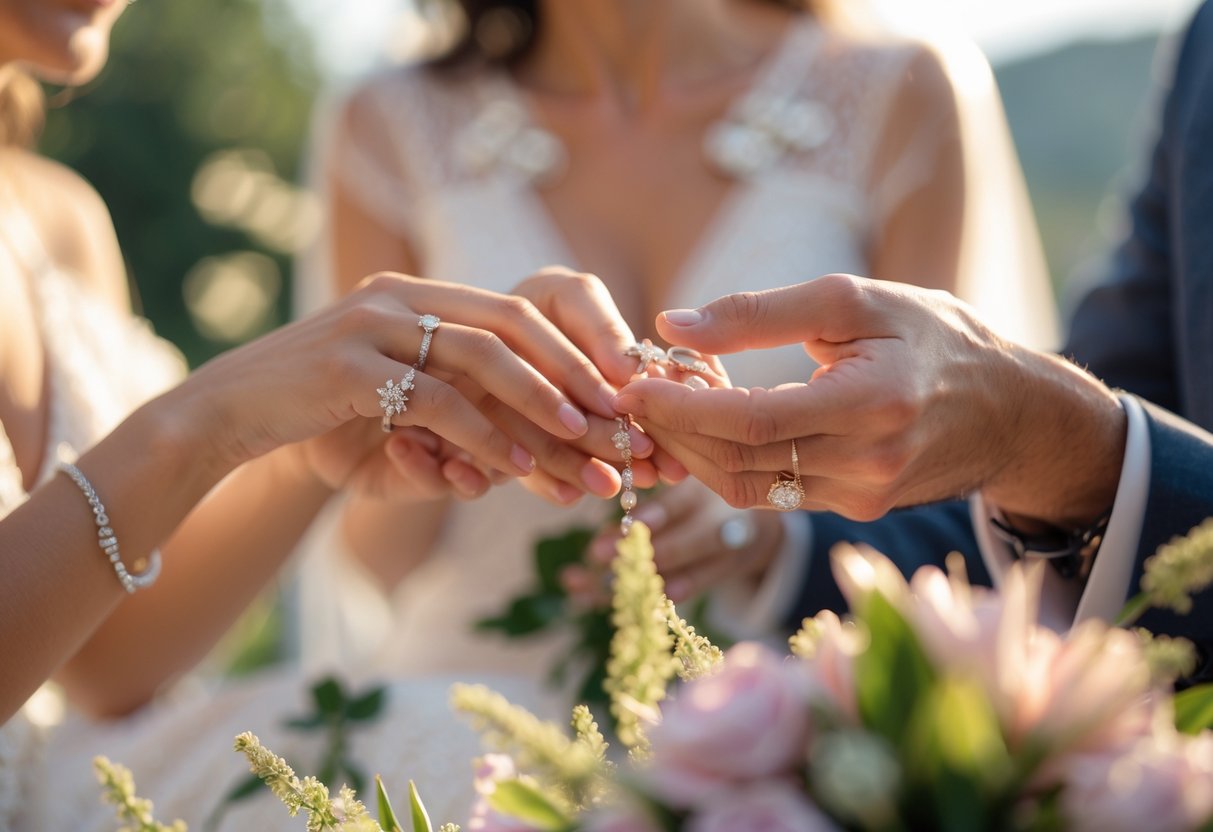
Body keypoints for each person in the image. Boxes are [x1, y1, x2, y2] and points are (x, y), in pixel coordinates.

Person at [0, 2, 654, 827]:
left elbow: (108, 668)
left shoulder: (56, 222)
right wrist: (202, 421)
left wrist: (305, 449)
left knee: (523, 763)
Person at [299, 0, 1057, 676]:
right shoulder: (389, 122)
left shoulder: (898, 94)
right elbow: (372, 552)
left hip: (785, 706)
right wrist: (462, 431)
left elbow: (949, 480)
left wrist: (769, 533)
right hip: (469, 706)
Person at [613, 0, 1213, 674]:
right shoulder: (1204, 47)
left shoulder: (892, 88)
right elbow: (1034, 495)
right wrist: (772, 534)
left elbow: (1045, 455)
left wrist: (1036, 435)